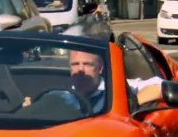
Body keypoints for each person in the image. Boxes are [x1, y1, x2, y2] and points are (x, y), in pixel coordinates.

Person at [23, 49, 163, 114]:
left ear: (100, 68)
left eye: (88, 64)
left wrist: (131, 102)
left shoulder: (115, 88)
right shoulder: (60, 94)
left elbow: (160, 86)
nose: (80, 69)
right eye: (75, 64)